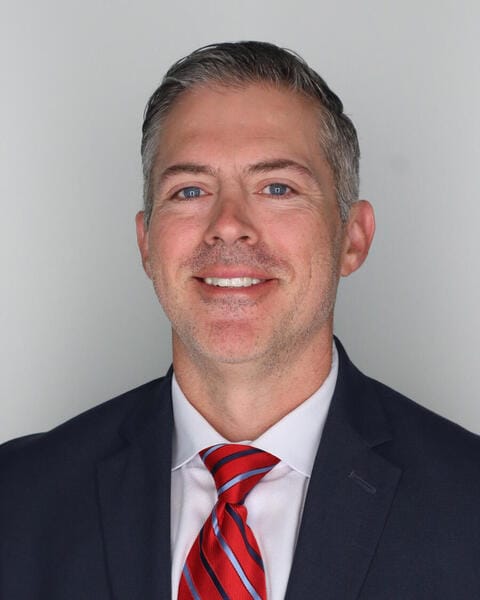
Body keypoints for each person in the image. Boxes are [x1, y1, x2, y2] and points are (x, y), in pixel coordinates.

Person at [1, 41, 479, 600]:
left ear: (353, 237)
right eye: (190, 190)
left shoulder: (468, 502)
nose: (228, 224)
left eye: (277, 187)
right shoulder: (18, 498)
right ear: (147, 244)